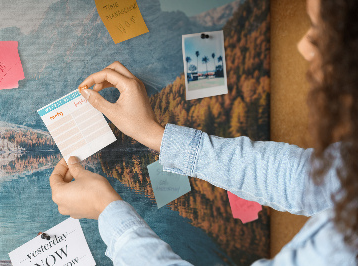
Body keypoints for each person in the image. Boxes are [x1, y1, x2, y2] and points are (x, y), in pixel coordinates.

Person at [49, 0, 358, 264]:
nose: (304, 47)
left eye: (322, 32)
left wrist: (107, 211)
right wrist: (154, 135)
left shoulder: (343, 247)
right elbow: (301, 178)